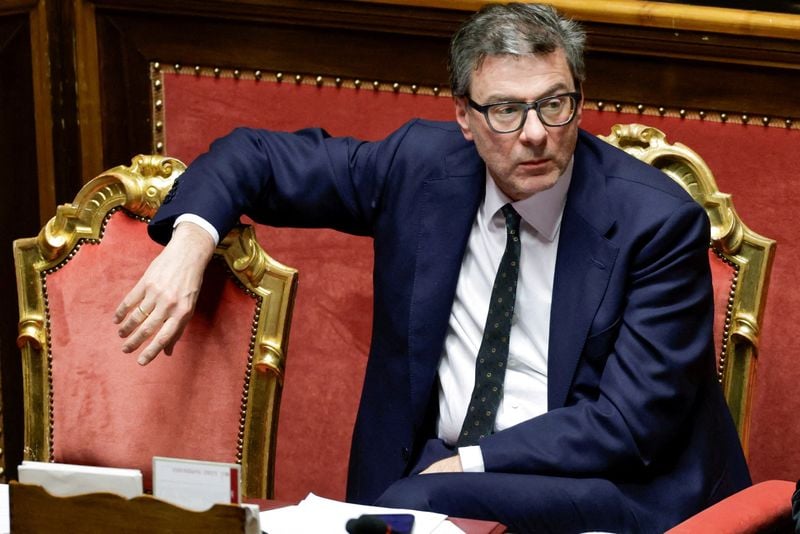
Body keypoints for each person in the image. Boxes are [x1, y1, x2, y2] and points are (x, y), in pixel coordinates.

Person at [113, 3, 750, 531]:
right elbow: (254, 156)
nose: (535, 133)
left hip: (606, 483)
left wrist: (470, 464)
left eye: (554, 104)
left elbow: (629, 426)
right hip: (434, 469)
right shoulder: (420, 169)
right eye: (506, 110)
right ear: (464, 117)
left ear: (579, 103)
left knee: (412, 501)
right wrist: (191, 241)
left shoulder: (656, 223)